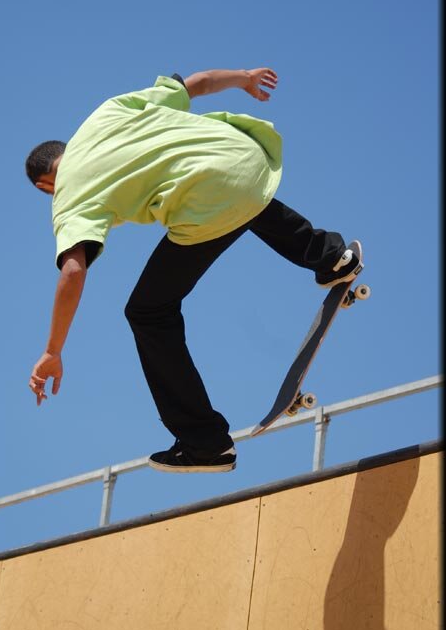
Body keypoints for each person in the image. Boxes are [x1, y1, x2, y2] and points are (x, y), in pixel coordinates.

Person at [26, 68, 362, 473]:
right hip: (244, 154)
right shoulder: (105, 114)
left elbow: (73, 271)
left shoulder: (66, 194)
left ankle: (204, 444)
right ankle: (332, 256)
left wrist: (53, 350)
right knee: (234, 197)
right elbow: (195, 84)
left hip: (208, 196)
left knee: (147, 312)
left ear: (46, 184)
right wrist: (243, 78)